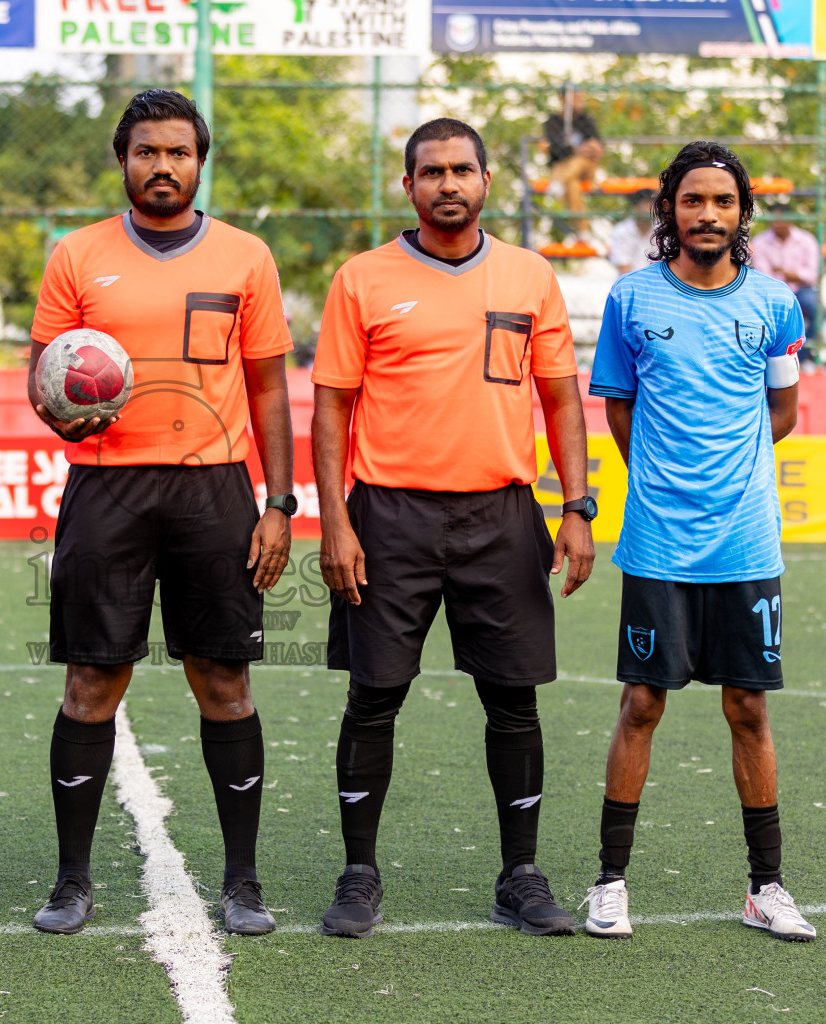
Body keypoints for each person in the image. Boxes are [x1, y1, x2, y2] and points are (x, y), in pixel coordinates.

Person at [312, 117, 595, 940]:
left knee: (513, 701)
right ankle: (359, 874)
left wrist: (575, 507)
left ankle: (521, 875)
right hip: (388, 514)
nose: (447, 184)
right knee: (375, 697)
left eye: (461, 170)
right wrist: (335, 519)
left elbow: (560, 397)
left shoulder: (529, 275)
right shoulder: (363, 279)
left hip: (502, 514)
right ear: (408, 186)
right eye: (430, 171)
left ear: (486, 181)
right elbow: (332, 406)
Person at [25, 89, 295, 937]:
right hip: (108, 487)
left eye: (178, 152)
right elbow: (45, 378)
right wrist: (63, 413)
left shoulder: (246, 257)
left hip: (213, 489)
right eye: (147, 152)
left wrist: (279, 503)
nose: (163, 166)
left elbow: (268, 391)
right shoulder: (77, 256)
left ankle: (243, 881)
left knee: (224, 681)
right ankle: (72, 881)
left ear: (199, 161)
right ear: (123, 160)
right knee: (90, 682)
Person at [584, 141, 815, 942]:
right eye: (693, 201)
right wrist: (664, 476)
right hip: (657, 543)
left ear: (741, 211)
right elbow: (619, 409)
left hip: (747, 543)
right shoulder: (631, 299)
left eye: (722, 201)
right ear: (669, 210)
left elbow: (783, 413)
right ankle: (610, 882)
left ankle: (766, 887)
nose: (708, 214)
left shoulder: (778, 306)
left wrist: (731, 475)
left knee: (748, 708)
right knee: (642, 704)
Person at [751, 211, 820, 351]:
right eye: (774, 221)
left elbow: (812, 275)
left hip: (802, 290)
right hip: (772, 291)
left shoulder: (807, 240)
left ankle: (803, 354)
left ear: (790, 221)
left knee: (819, 311)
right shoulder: (760, 241)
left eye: (781, 221)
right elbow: (764, 275)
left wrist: (782, 272)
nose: (777, 225)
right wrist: (794, 275)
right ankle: (772, 352)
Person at [543, 88, 603, 239]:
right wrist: (578, 149)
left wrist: (583, 149)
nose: (580, 101)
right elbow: (555, 149)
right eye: (576, 98)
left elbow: (596, 147)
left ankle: (557, 184)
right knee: (572, 185)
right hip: (562, 168)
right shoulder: (553, 122)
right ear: (564, 100)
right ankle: (583, 230)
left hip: (584, 168)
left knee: (578, 161)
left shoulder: (586, 120)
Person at [608, 190, 656, 276]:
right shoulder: (621, 231)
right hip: (630, 283)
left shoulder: (664, 230)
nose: (651, 207)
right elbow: (623, 268)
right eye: (646, 203)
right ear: (635, 207)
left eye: (653, 203)